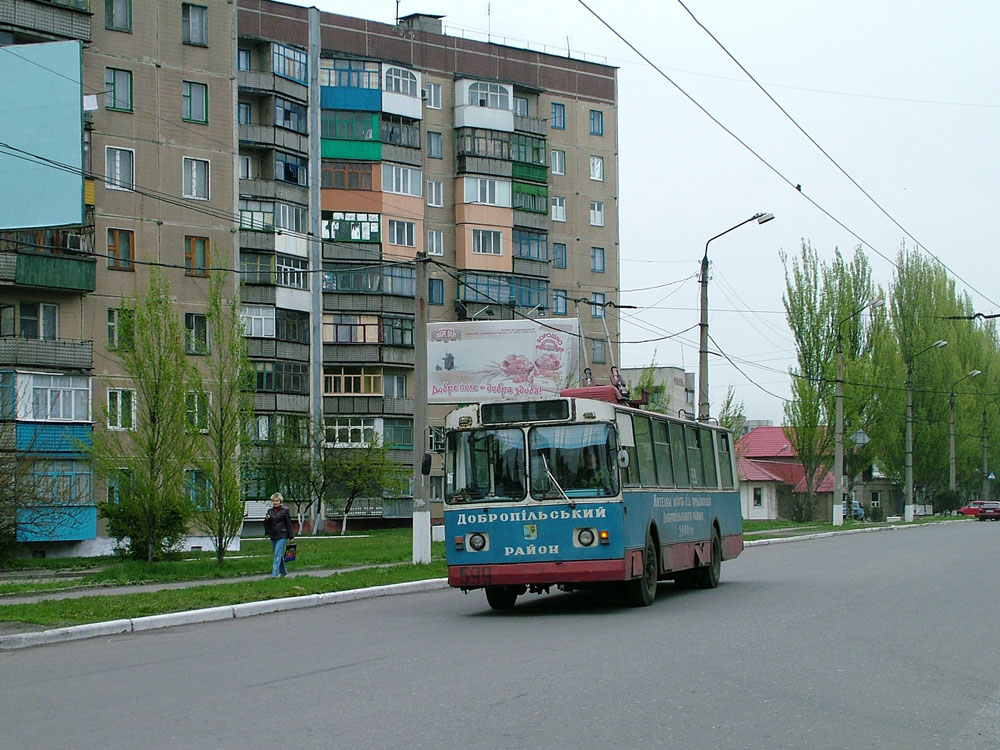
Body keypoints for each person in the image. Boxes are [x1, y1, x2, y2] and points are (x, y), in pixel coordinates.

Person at [264, 492, 294, 577]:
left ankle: (274, 575)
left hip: (282, 534)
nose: (275, 502)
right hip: (273, 535)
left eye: (277, 501)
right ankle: (283, 571)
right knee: (278, 554)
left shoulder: (285, 510)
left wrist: (291, 536)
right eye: (273, 501)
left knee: (277, 553)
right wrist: (267, 519)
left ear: (280, 501)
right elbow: (267, 524)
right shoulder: (270, 511)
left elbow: (289, 523)